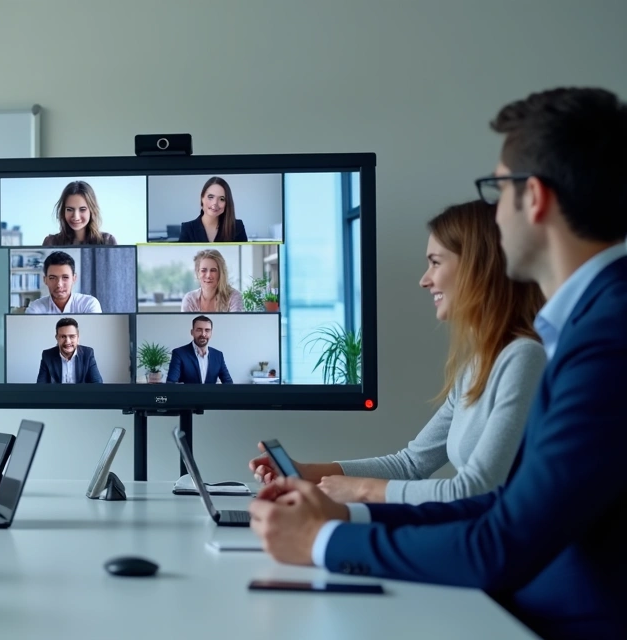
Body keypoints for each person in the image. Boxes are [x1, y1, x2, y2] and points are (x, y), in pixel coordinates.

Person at [247, 87, 627, 639]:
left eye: (498, 189)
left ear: (534, 198)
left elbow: (500, 542)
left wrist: (322, 541)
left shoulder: (605, 337)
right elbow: (506, 507)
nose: (495, 214)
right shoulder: (586, 324)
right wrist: (346, 516)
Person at [250, 201, 547, 504]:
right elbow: (410, 464)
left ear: (478, 267)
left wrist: (361, 490)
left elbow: (475, 489)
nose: (424, 280)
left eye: (435, 263)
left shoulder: (525, 358)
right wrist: (304, 472)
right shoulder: (476, 366)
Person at [24, 250, 102, 314]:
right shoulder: (35, 308)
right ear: (45, 280)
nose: (59, 284)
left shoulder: (89, 304)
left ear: (74, 279)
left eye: (65, 277)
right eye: (52, 278)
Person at [41, 180, 117, 246]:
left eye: (82, 209)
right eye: (69, 209)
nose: (76, 217)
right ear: (63, 211)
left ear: (92, 210)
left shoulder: (107, 241)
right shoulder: (51, 242)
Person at [177, 177, 248, 243]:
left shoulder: (237, 227)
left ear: (227, 203)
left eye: (222, 199)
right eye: (210, 197)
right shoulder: (188, 228)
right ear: (202, 198)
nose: (215, 203)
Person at [165, 316, 233, 384]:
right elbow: (171, 383)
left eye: (207, 330)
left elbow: (228, 383)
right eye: (199, 330)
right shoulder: (179, 353)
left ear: (211, 333)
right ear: (192, 332)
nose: (203, 334)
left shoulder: (218, 355)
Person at [36, 317, 103, 383]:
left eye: (72, 336)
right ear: (57, 338)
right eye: (63, 336)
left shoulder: (88, 354)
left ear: (78, 337)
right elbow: (41, 386)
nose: (68, 342)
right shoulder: (47, 355)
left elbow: (97, 384)